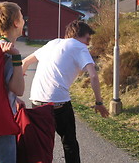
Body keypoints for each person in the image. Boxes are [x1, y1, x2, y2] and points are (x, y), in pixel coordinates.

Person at [22, 20, 109, 163]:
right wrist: (99, 102)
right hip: (58, 103)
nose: (88, 43)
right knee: (69, 143)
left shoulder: (53, 43)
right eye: (87, 38)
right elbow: (93, 75)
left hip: (36, 101)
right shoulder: (79, 47)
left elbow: (25, 62)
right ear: (78, 36)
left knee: (42, 143)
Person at [0, 1, 25, 163]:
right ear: (16, 23)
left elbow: (0, 83)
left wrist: (14, 99)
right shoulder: (8, 52)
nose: (24, 21)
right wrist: (17, 59)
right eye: (22, 18)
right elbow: (18, 88)